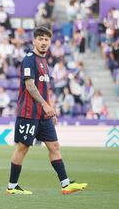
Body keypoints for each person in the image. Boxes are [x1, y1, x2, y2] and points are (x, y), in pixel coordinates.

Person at [6, 26, 87, 195]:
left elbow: (44, 89)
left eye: (46, 39)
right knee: (23, 148)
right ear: (34, 40)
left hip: (43, 114)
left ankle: (66, 184)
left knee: (54, 146)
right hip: (28, 113)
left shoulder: (44, 61)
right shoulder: (29, 59)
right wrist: (45, 105)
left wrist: (51, 109)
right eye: (40, 39)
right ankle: (12, 186)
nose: (43, 42)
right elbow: (30, 86)